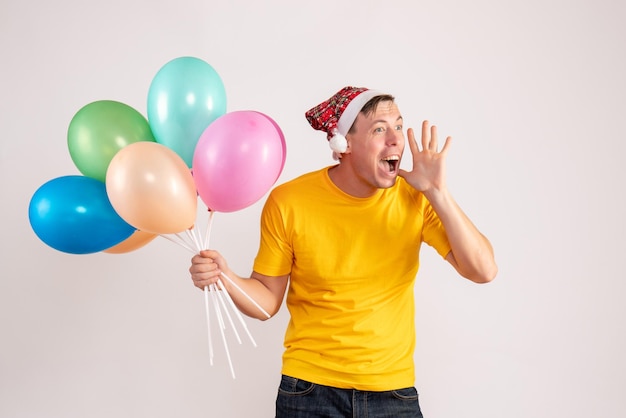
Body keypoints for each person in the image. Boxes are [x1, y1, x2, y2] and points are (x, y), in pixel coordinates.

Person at [189, 86, 497, 417]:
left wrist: (439, 193)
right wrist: (225, 276)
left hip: (393, 394)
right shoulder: (290, 202)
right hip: (309, 392)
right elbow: (266, 301)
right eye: (380, 129)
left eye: (398, 125)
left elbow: (483, 270)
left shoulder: (417, 198)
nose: (395, 139)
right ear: (344, 144)